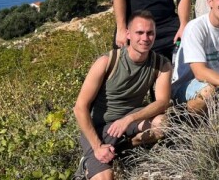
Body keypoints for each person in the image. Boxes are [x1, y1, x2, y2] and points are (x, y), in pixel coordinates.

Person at [74, 11, 172, 180]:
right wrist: (97, 147)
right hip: (100, 128)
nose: (145, 38)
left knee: (163, 124)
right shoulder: (107, 61)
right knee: (105, 177)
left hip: (129, 121)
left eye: (150, 33)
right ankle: (88, 162)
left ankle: (121, 148)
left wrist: (129, 119)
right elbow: (80, 108)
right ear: (128, 34)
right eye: (139, 33)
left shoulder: (161, 64)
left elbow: (162, 102)